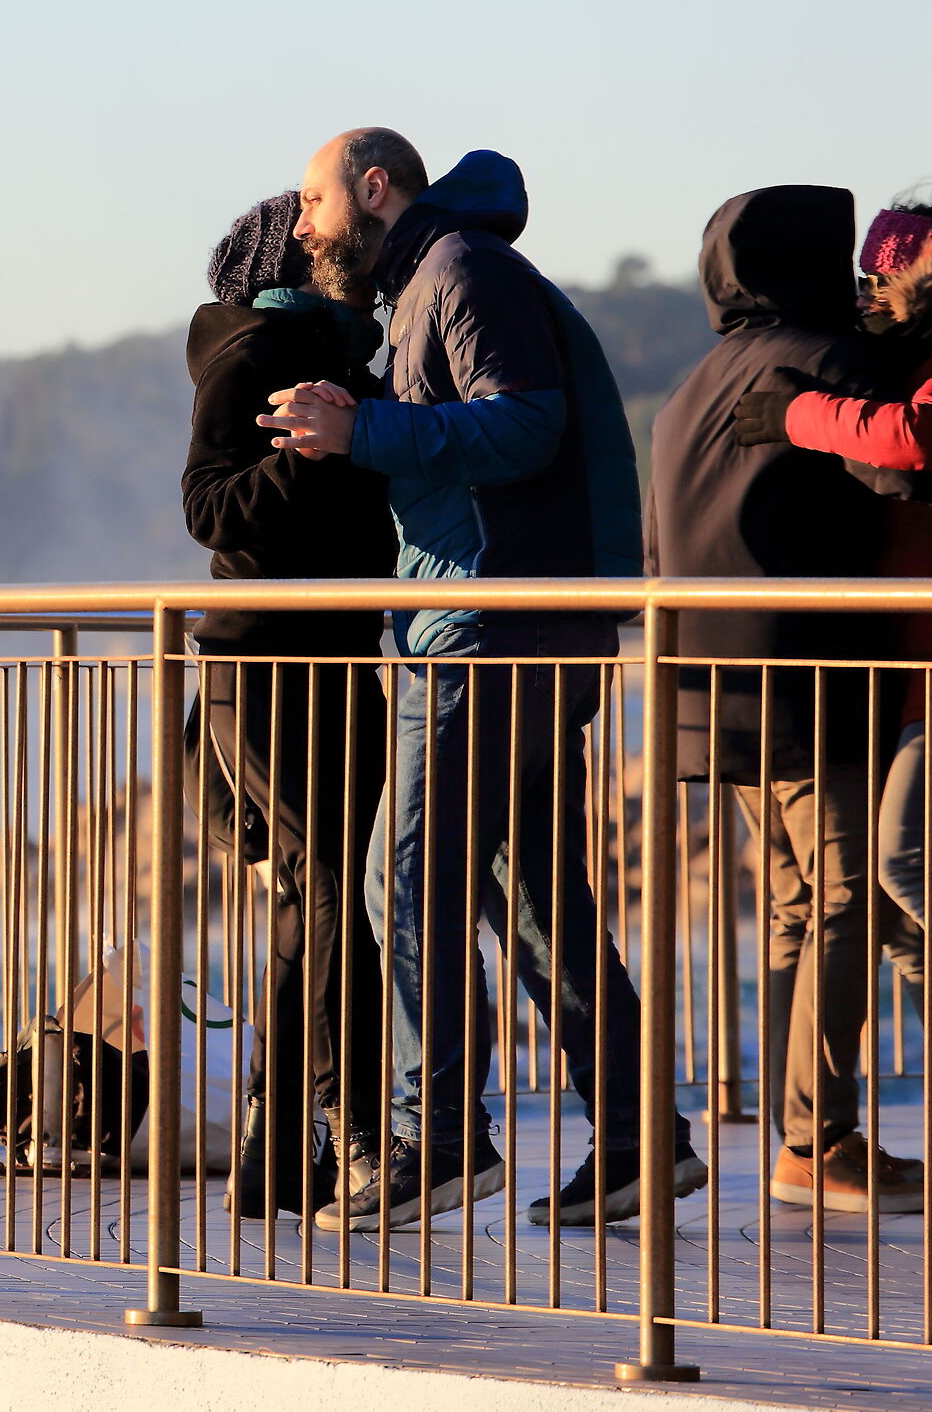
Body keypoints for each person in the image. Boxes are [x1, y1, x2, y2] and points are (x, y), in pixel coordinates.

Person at [259, 128, 704, 1231]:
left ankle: (441, 1139)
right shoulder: (424, 284)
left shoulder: (460, 269)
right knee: (536, 900)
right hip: (500, 625)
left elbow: (525, 422)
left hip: (488, 632)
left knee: (399, 877)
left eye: (312, 202)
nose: (301, 224)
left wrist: (363, 428)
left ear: (375, 187)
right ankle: (646, 1137)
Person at [654, 185, 932, 1214]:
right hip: (812, 681)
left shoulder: (694, 386)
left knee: (793, 905)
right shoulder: (824, 364)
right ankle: (816, 1140)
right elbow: (901, 478)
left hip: (707, 687)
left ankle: (801, 1135)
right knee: (842, 898)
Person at [730, 182, 932, 1206]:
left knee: (905, 859)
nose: (872, 292)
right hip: (916, 667)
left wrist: (798, 411)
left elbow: (911, 440)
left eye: (887, 273)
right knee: (910, 911)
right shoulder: (918, 357)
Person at [182, 190, 395, 1216]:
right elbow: (206, 508)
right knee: (331, 893)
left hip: (330, 657)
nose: (333, 240)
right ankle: (344, 1124)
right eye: (312, 234)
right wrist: (304, 456)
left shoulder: (341, 353)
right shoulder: (254, 353)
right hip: (271, 664)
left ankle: (277, 1145)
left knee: (315, 898)